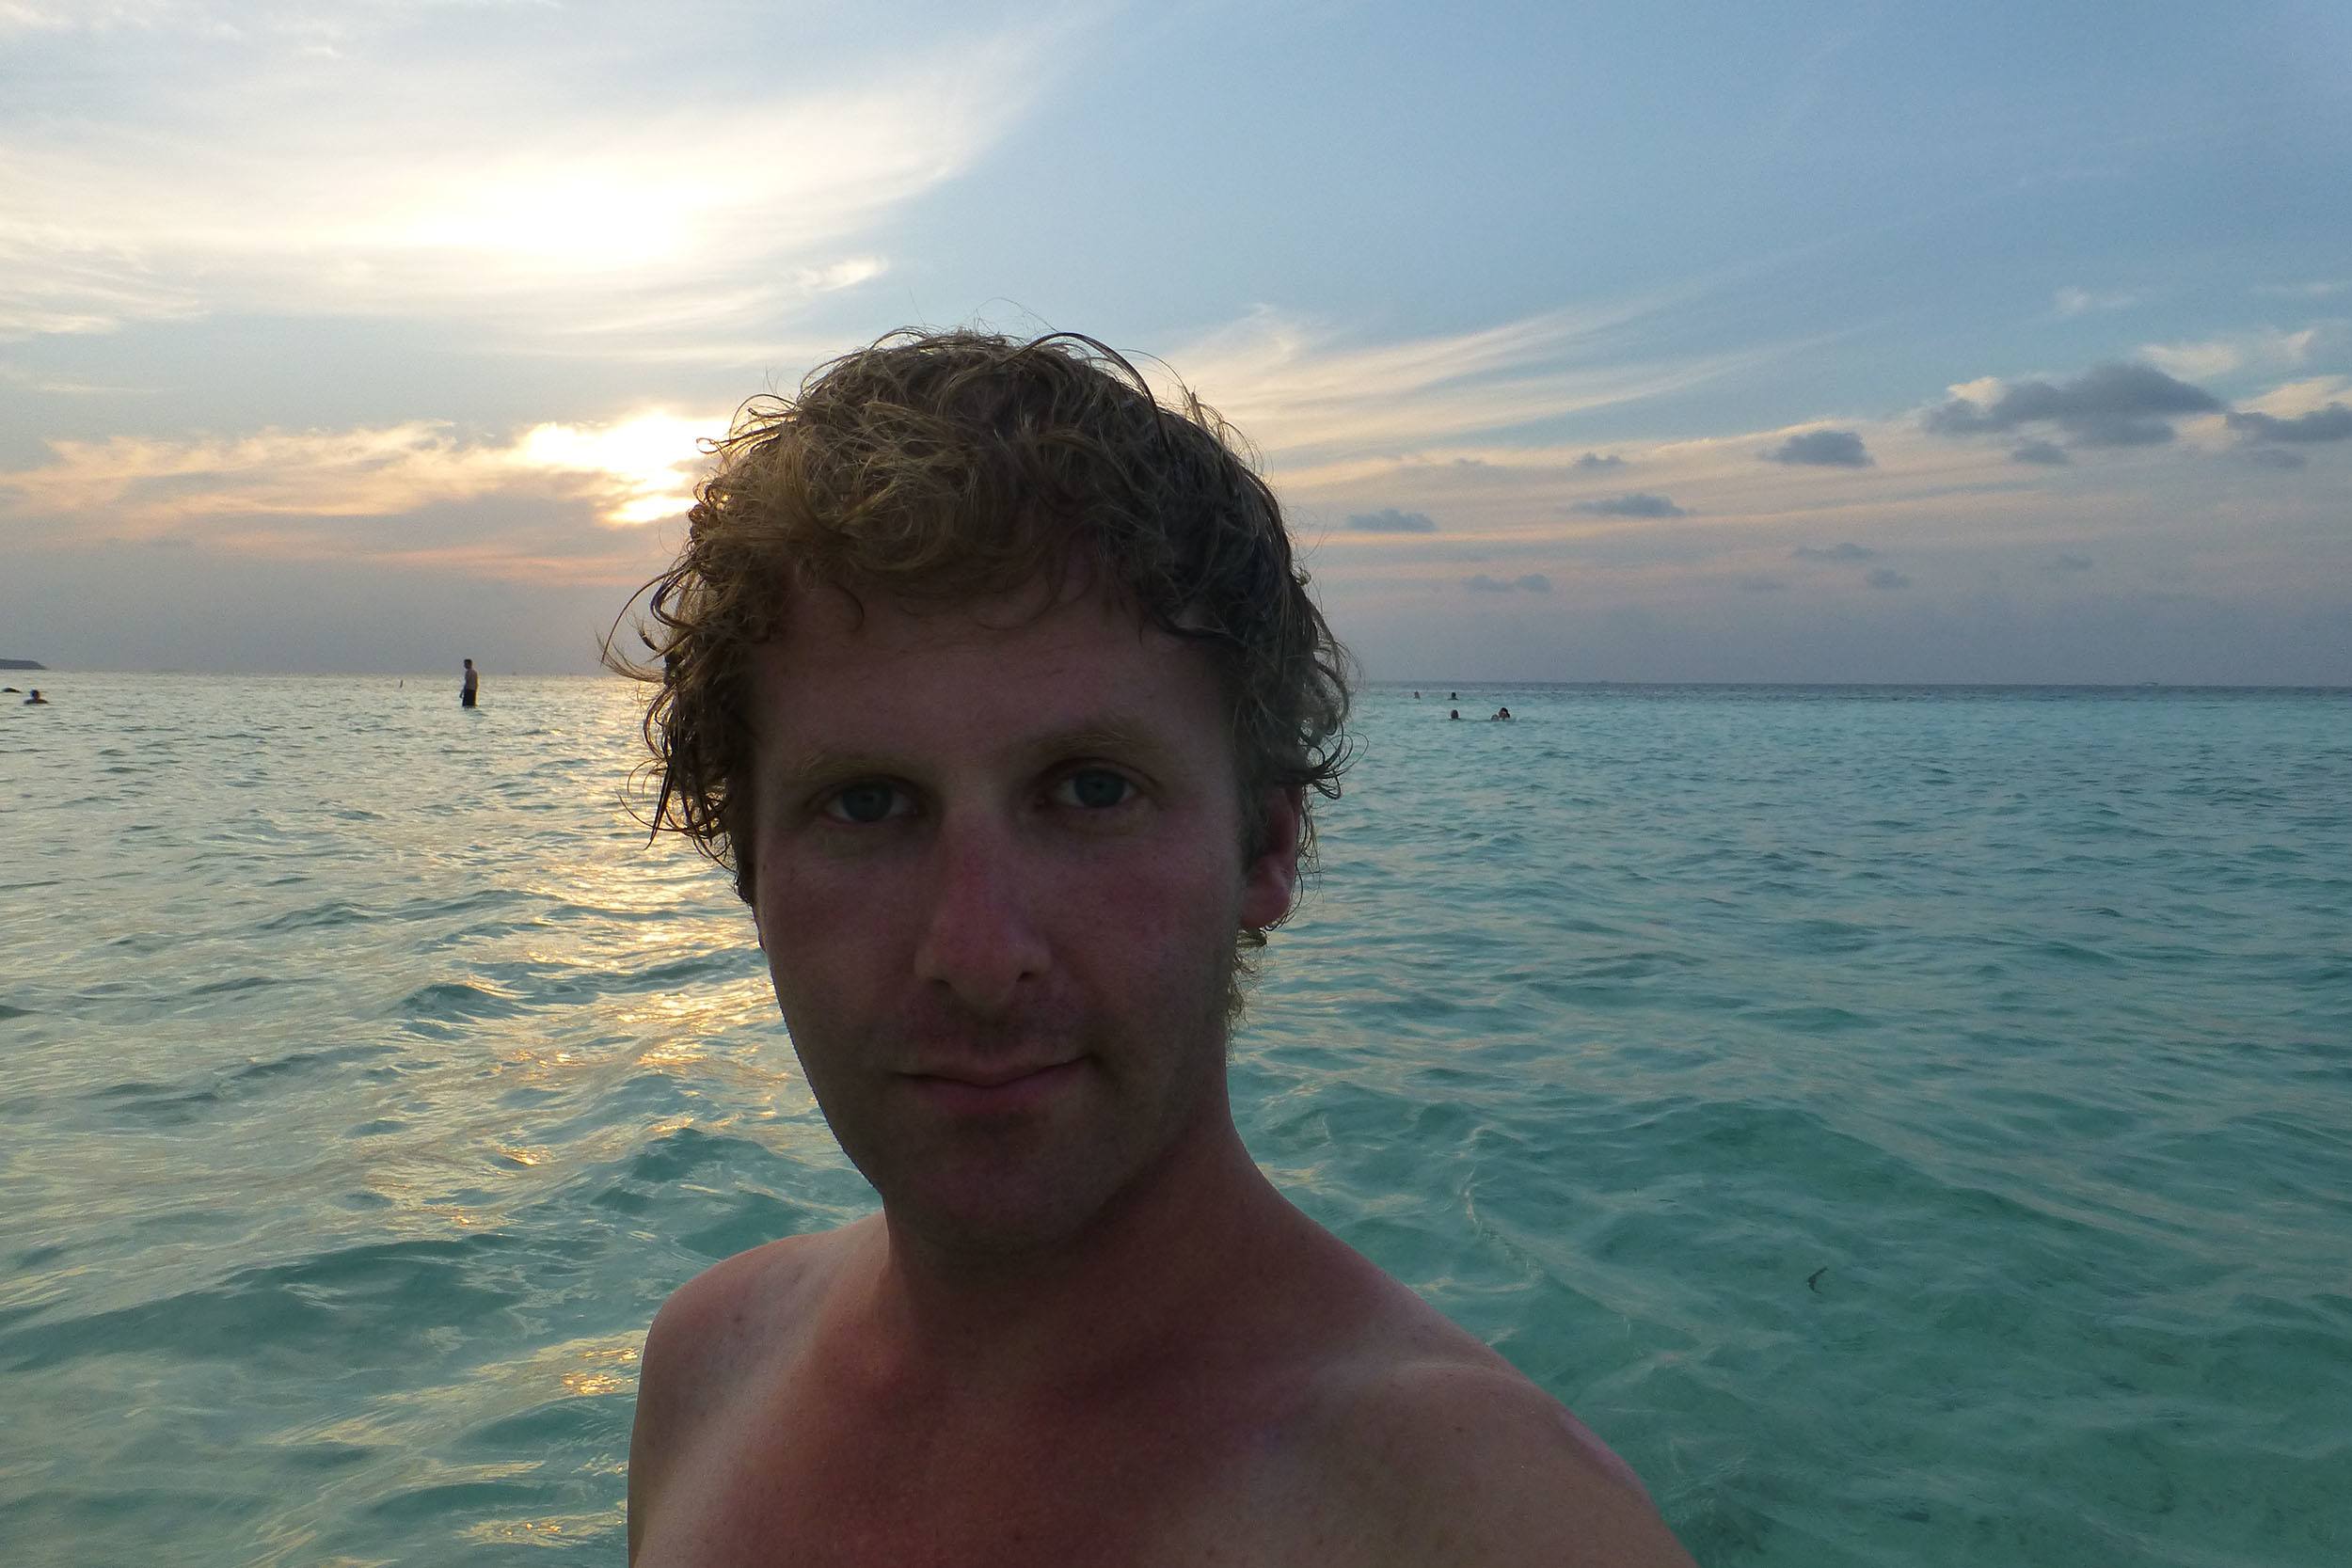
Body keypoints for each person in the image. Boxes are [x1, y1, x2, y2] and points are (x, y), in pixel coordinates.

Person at [610, 329, 1692, 1567]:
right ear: (750, 865)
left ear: (1267, 847)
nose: (976, 952)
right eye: (867, 804)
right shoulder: (705, 1369)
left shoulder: (1488, 1522)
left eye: (1088, 792)